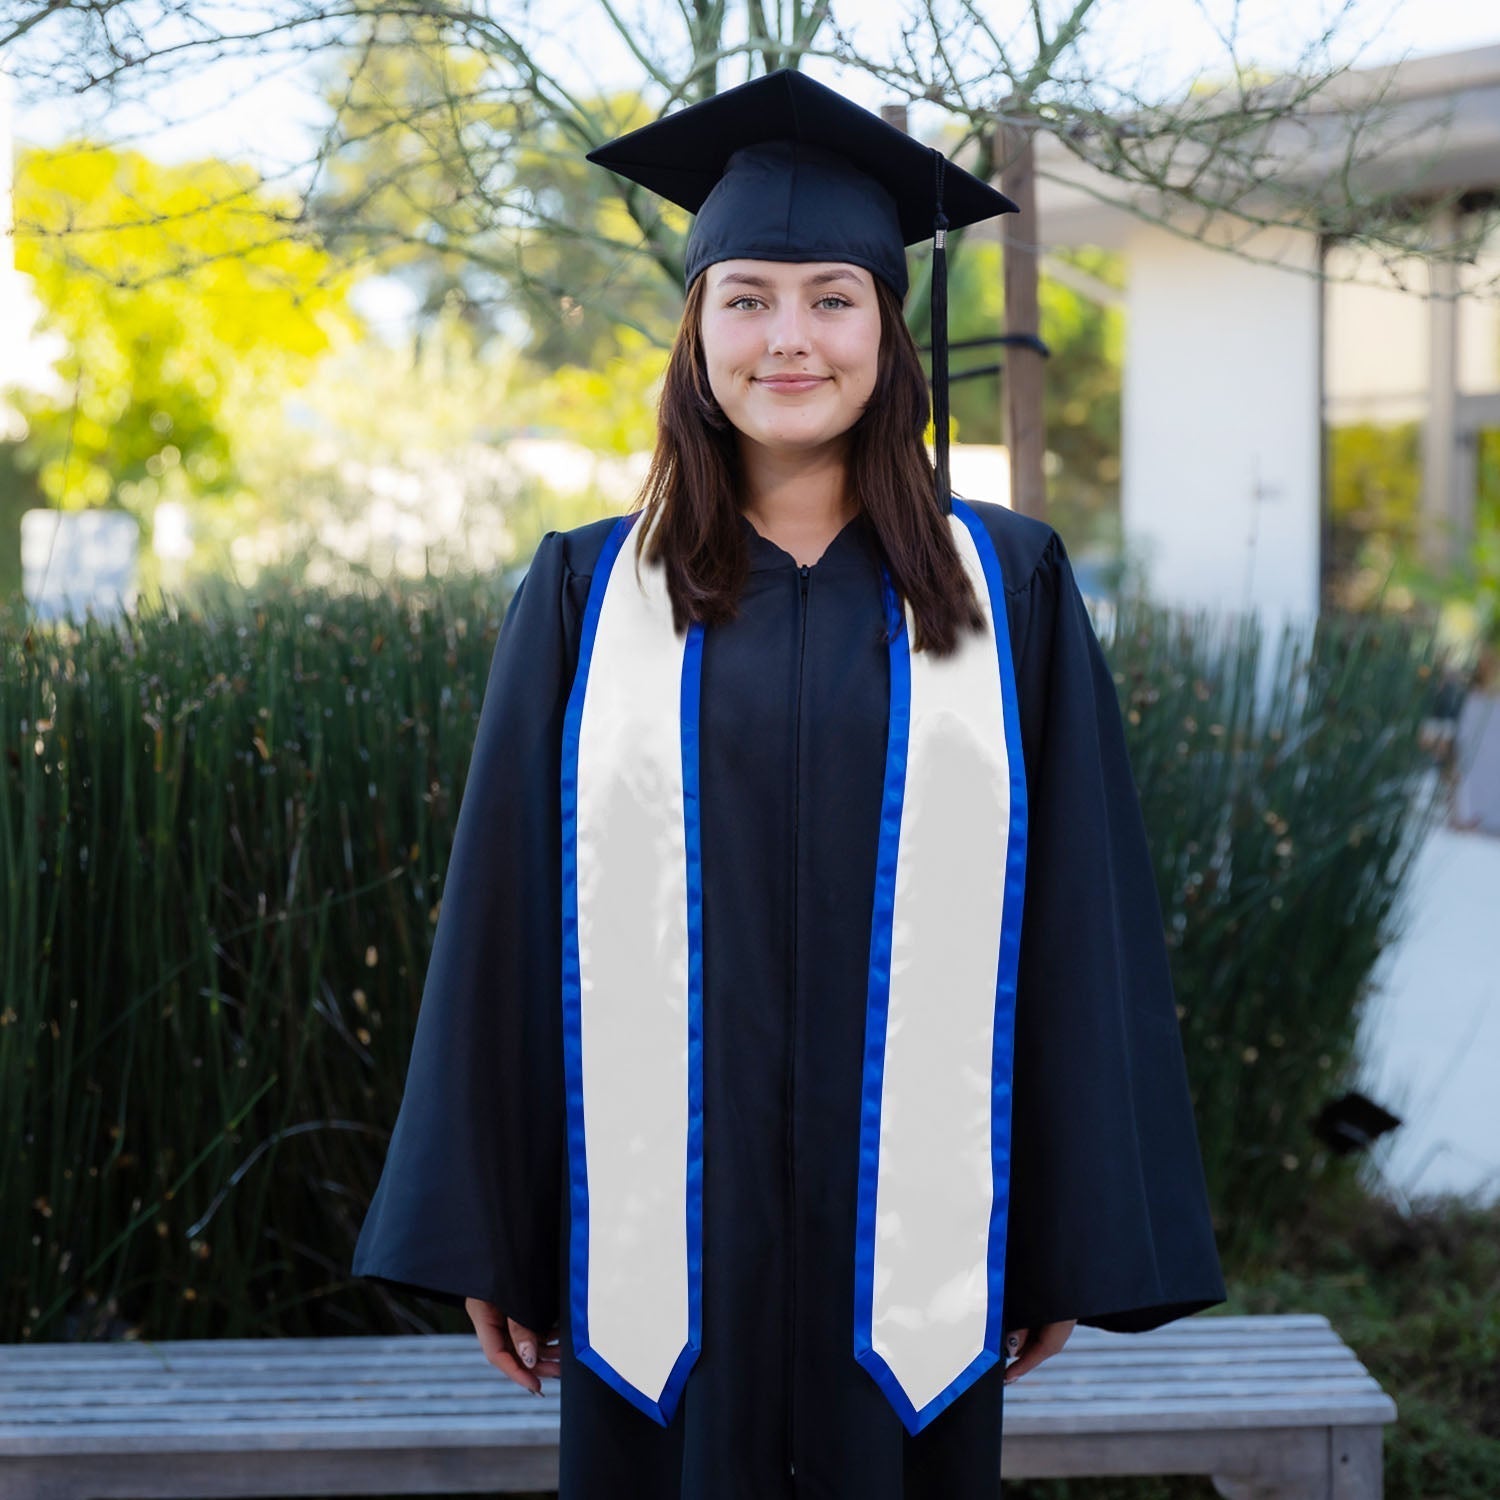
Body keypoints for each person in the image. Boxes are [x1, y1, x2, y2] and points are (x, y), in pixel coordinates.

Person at [351, 68, 1226, 1500]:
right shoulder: (586, 591)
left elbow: (1081, 918)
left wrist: (1058, 1225)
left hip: (921, 1266)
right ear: (694, 331)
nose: (789, 338)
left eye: (834, 297)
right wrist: (498, 1230)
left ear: (891, 325)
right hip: (657, 1267)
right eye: (746, 297)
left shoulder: (1009, 589)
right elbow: (505, 918)